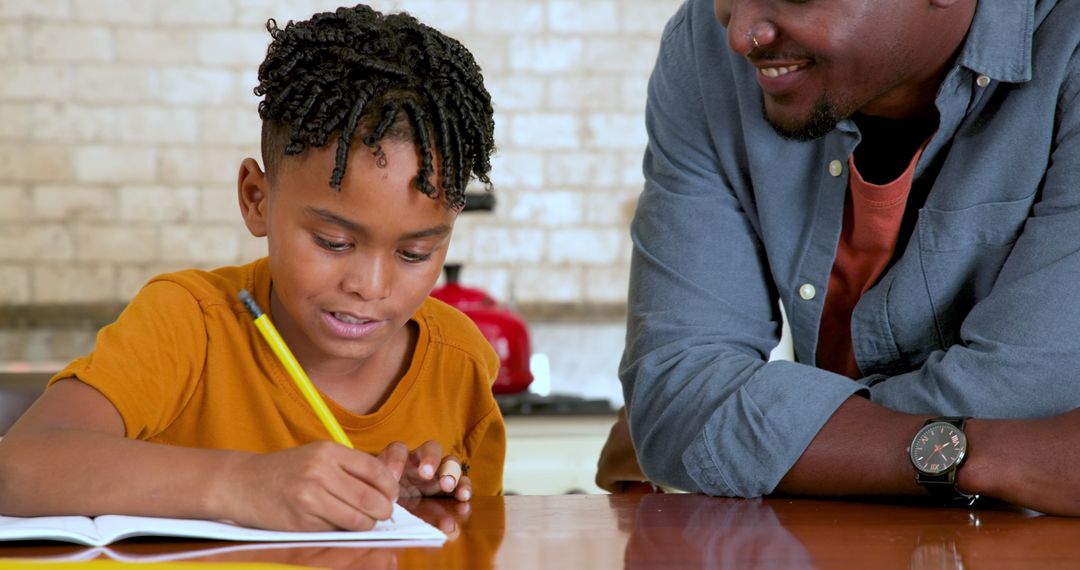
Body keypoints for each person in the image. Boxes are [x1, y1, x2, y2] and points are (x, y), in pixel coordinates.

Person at [0, 4, 504, 531]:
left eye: (414, 254)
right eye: (333, 241)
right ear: (256, 199)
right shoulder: (191, 322)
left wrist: (420, 511)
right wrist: (246, 484)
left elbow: (478, 540)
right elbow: (18, 466)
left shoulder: (460, 361)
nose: (370, 286)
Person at [609, 0, 1080, 515]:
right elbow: (676, 400)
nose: (741, 36)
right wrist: (985, 455)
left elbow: (1032, 401)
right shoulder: (703, 47)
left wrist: (727, 434)